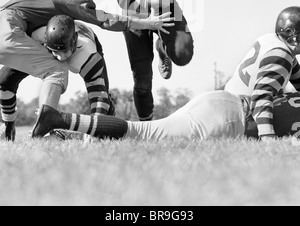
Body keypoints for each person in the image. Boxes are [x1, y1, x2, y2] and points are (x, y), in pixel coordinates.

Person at [0, 0, 173, 140]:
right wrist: (147, 23)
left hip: (7, 22)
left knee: (6, 80)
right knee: (55, 69)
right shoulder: (66, 1)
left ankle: (8, 129)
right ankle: (44, 128)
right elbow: (105, 18)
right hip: (11, 30)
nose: (59, 57)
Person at [30, 88, 300, 142]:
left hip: (222, 99)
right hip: (229, 120)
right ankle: (58, 119)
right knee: (141, 132)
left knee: (144, 131)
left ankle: (70, 133)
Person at [225, 6, 300, 141]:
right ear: (291, 33)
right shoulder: (281, 55)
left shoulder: (272, 40)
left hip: (234, 103)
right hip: (242, 114)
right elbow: (261, 96)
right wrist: (267, 135)